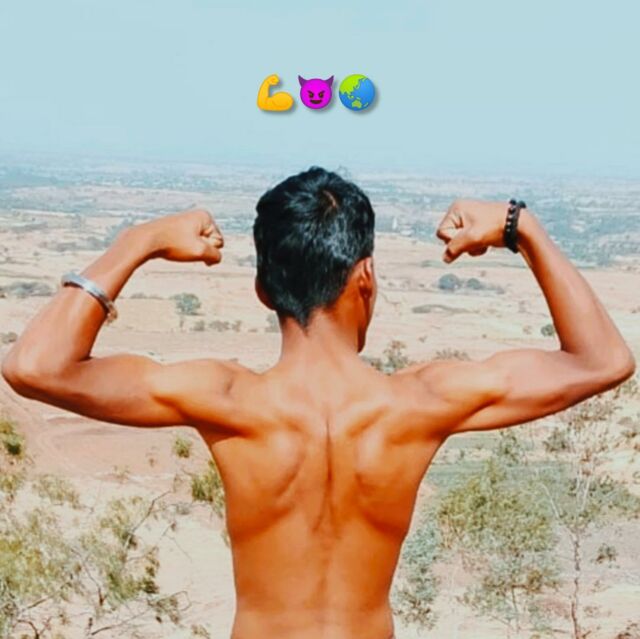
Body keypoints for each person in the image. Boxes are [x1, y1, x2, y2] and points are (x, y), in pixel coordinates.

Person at [2, 167, 635, 639]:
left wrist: (138, 241)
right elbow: (602, 361)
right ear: (366, 277)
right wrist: (520, 226)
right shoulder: (420, 403)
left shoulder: (226, 400)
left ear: (262, 289)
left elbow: (35, 367)